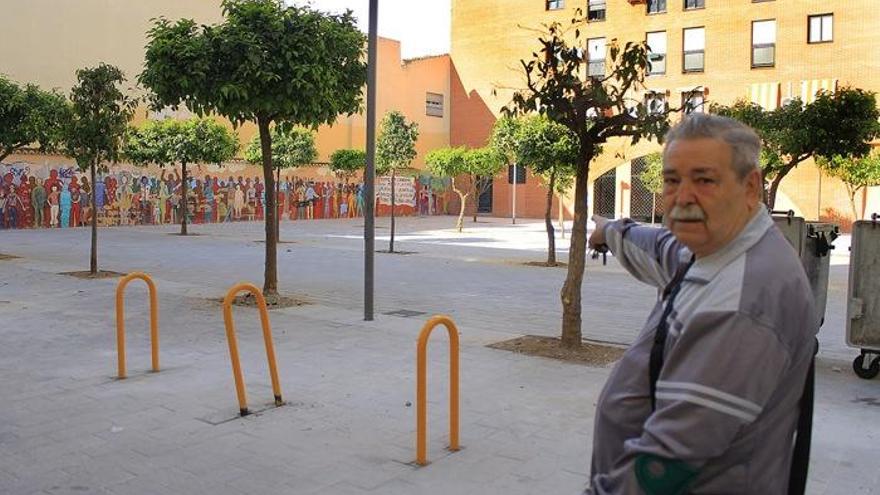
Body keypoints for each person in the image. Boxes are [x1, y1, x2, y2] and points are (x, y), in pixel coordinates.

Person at [584, 114, 817, 494]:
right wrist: (610, 231)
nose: (684, 196)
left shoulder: (744, 303)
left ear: (751, 187)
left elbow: (668, 462)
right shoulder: (718, 248)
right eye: (673, 181)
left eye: (705, 180)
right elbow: (663, 248)